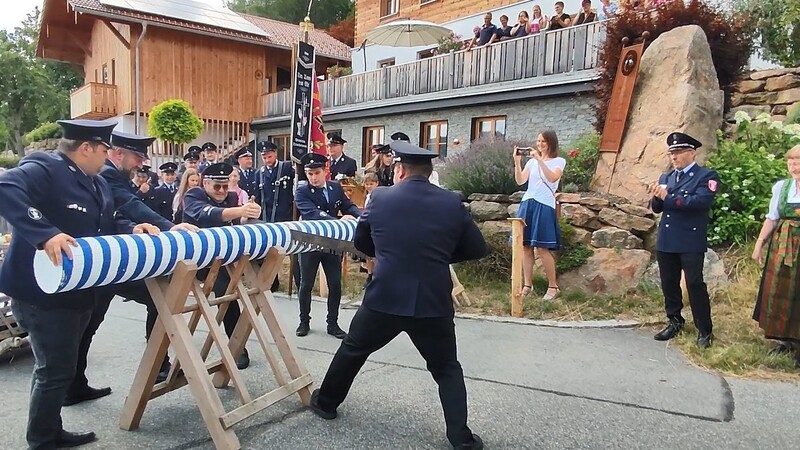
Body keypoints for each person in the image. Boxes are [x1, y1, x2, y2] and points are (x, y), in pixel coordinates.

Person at [308, 141, 488, 450]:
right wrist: (438, 256)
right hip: (433, 300)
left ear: (400, 170)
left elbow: (363, 243)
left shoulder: (380, 198)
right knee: (446, 368)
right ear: (429, 173)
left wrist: (388, 253)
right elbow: (477, 248)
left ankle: (326, 403)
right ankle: (461, 437)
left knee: (353, 349)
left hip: (386, 296)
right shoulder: (451, 202)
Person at [0, 119, 149, 449]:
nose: (107, 156)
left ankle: (54, 424)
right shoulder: (45, 167)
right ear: (87, 148)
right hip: (42, 292)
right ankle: (42, 438)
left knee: (62, 366)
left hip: (77, 288)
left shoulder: (94, 182)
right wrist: (45, 234)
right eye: (105, 149)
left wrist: (132, 228)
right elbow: (6, 188)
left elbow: (106, 221)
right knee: (53, 370)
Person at [69, 131, 199, 402]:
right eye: (137, 157)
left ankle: (77, 383)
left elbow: (121, 214)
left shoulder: (114, 175)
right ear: (119, 154)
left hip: (110, 262)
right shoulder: (107, 174)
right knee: (90, 323)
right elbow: (129, 205)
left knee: (95, 322)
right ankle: (75, 384)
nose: (141, 164)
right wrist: (170, 227)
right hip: (103, 263)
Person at [183, 162, 262, 369]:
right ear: (205, 183)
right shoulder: (193, 195)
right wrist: (239, 210)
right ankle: (161, 360)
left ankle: (237, 348)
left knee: (228, 297)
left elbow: (234, 226)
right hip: (189, 260)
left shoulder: (232, 198)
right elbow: (206, 214)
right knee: (164, 306)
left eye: (225, 186)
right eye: (216, 187)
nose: (221, 191)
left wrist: (249, 214)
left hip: (218, 261)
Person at [647, 132, 719, 349]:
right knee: (669, 283)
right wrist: (656, 194)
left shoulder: (706, 176)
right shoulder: (666, 177)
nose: (674, 158)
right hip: (668, 238)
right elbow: (658, 208)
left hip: (689, 238)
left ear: (691, 153)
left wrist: (668, 197)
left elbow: (698, 202)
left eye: (678, 153)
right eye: (671, 153)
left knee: (694, 283)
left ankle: (704, 329)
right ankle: (674, 320)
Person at [295, 153, 360, 339]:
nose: (313, 178)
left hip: (332, 242)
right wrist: (339, 220)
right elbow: (312, 213)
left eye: (316, 173)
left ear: (325, 172)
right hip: (310, 241)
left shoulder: (334, 187)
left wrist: (360, 215)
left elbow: (347, 205)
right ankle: (303, 321)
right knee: (306, 284)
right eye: (309, 173)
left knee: (335, 284)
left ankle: (333, 323)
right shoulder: (302, 191)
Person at [752, 144, 800, 368]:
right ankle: (785, 339)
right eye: (791, 161)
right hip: (782, 244)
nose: (794, 166)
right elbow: (772, 218)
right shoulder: (782, 187)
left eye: (798, 161)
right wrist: (759, 244)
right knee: (780, 290)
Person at [513, 131, 566, 301]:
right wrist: (517, 162)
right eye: (538, 140)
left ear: (551, 143)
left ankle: (553, 286)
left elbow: (552, 178)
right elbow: (521, 180)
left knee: (542, 248)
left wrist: (539, 160)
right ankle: (528, 284)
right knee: (526, 246)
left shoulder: (559, 161)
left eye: (544, 141)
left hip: (544, 204)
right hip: (528, 202)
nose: (540, 144)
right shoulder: (531, 162)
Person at [257, 141, 295, 223]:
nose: (267, 160)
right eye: (264, 158)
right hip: (266, 217)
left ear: (275, 154)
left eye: (270, 156)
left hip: (286, 216)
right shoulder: (259, 173)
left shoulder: (287, 167)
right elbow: (258, 196)